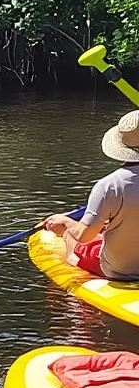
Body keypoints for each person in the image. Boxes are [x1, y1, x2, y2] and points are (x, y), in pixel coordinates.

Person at [44, 110, 139, 280]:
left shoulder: (109, 185)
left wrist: (67, 223)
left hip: (118, 270)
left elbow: (83, 236)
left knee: (74, 241)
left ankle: (66, 240)